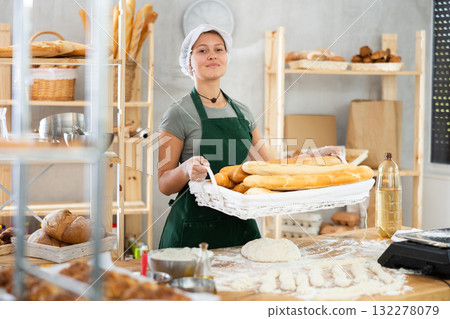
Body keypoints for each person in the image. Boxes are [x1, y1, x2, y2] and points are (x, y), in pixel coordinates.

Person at [157, 24, 340, 249]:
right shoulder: (177, 114)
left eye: (219, 49)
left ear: (226, 57)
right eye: (202, 50)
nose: (212, 55)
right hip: (193, 230)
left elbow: (270, 167)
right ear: (189, 61)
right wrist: (186, 169)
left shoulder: (242, 112)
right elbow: (164, 183)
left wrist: (314, 155)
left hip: (239, 226)